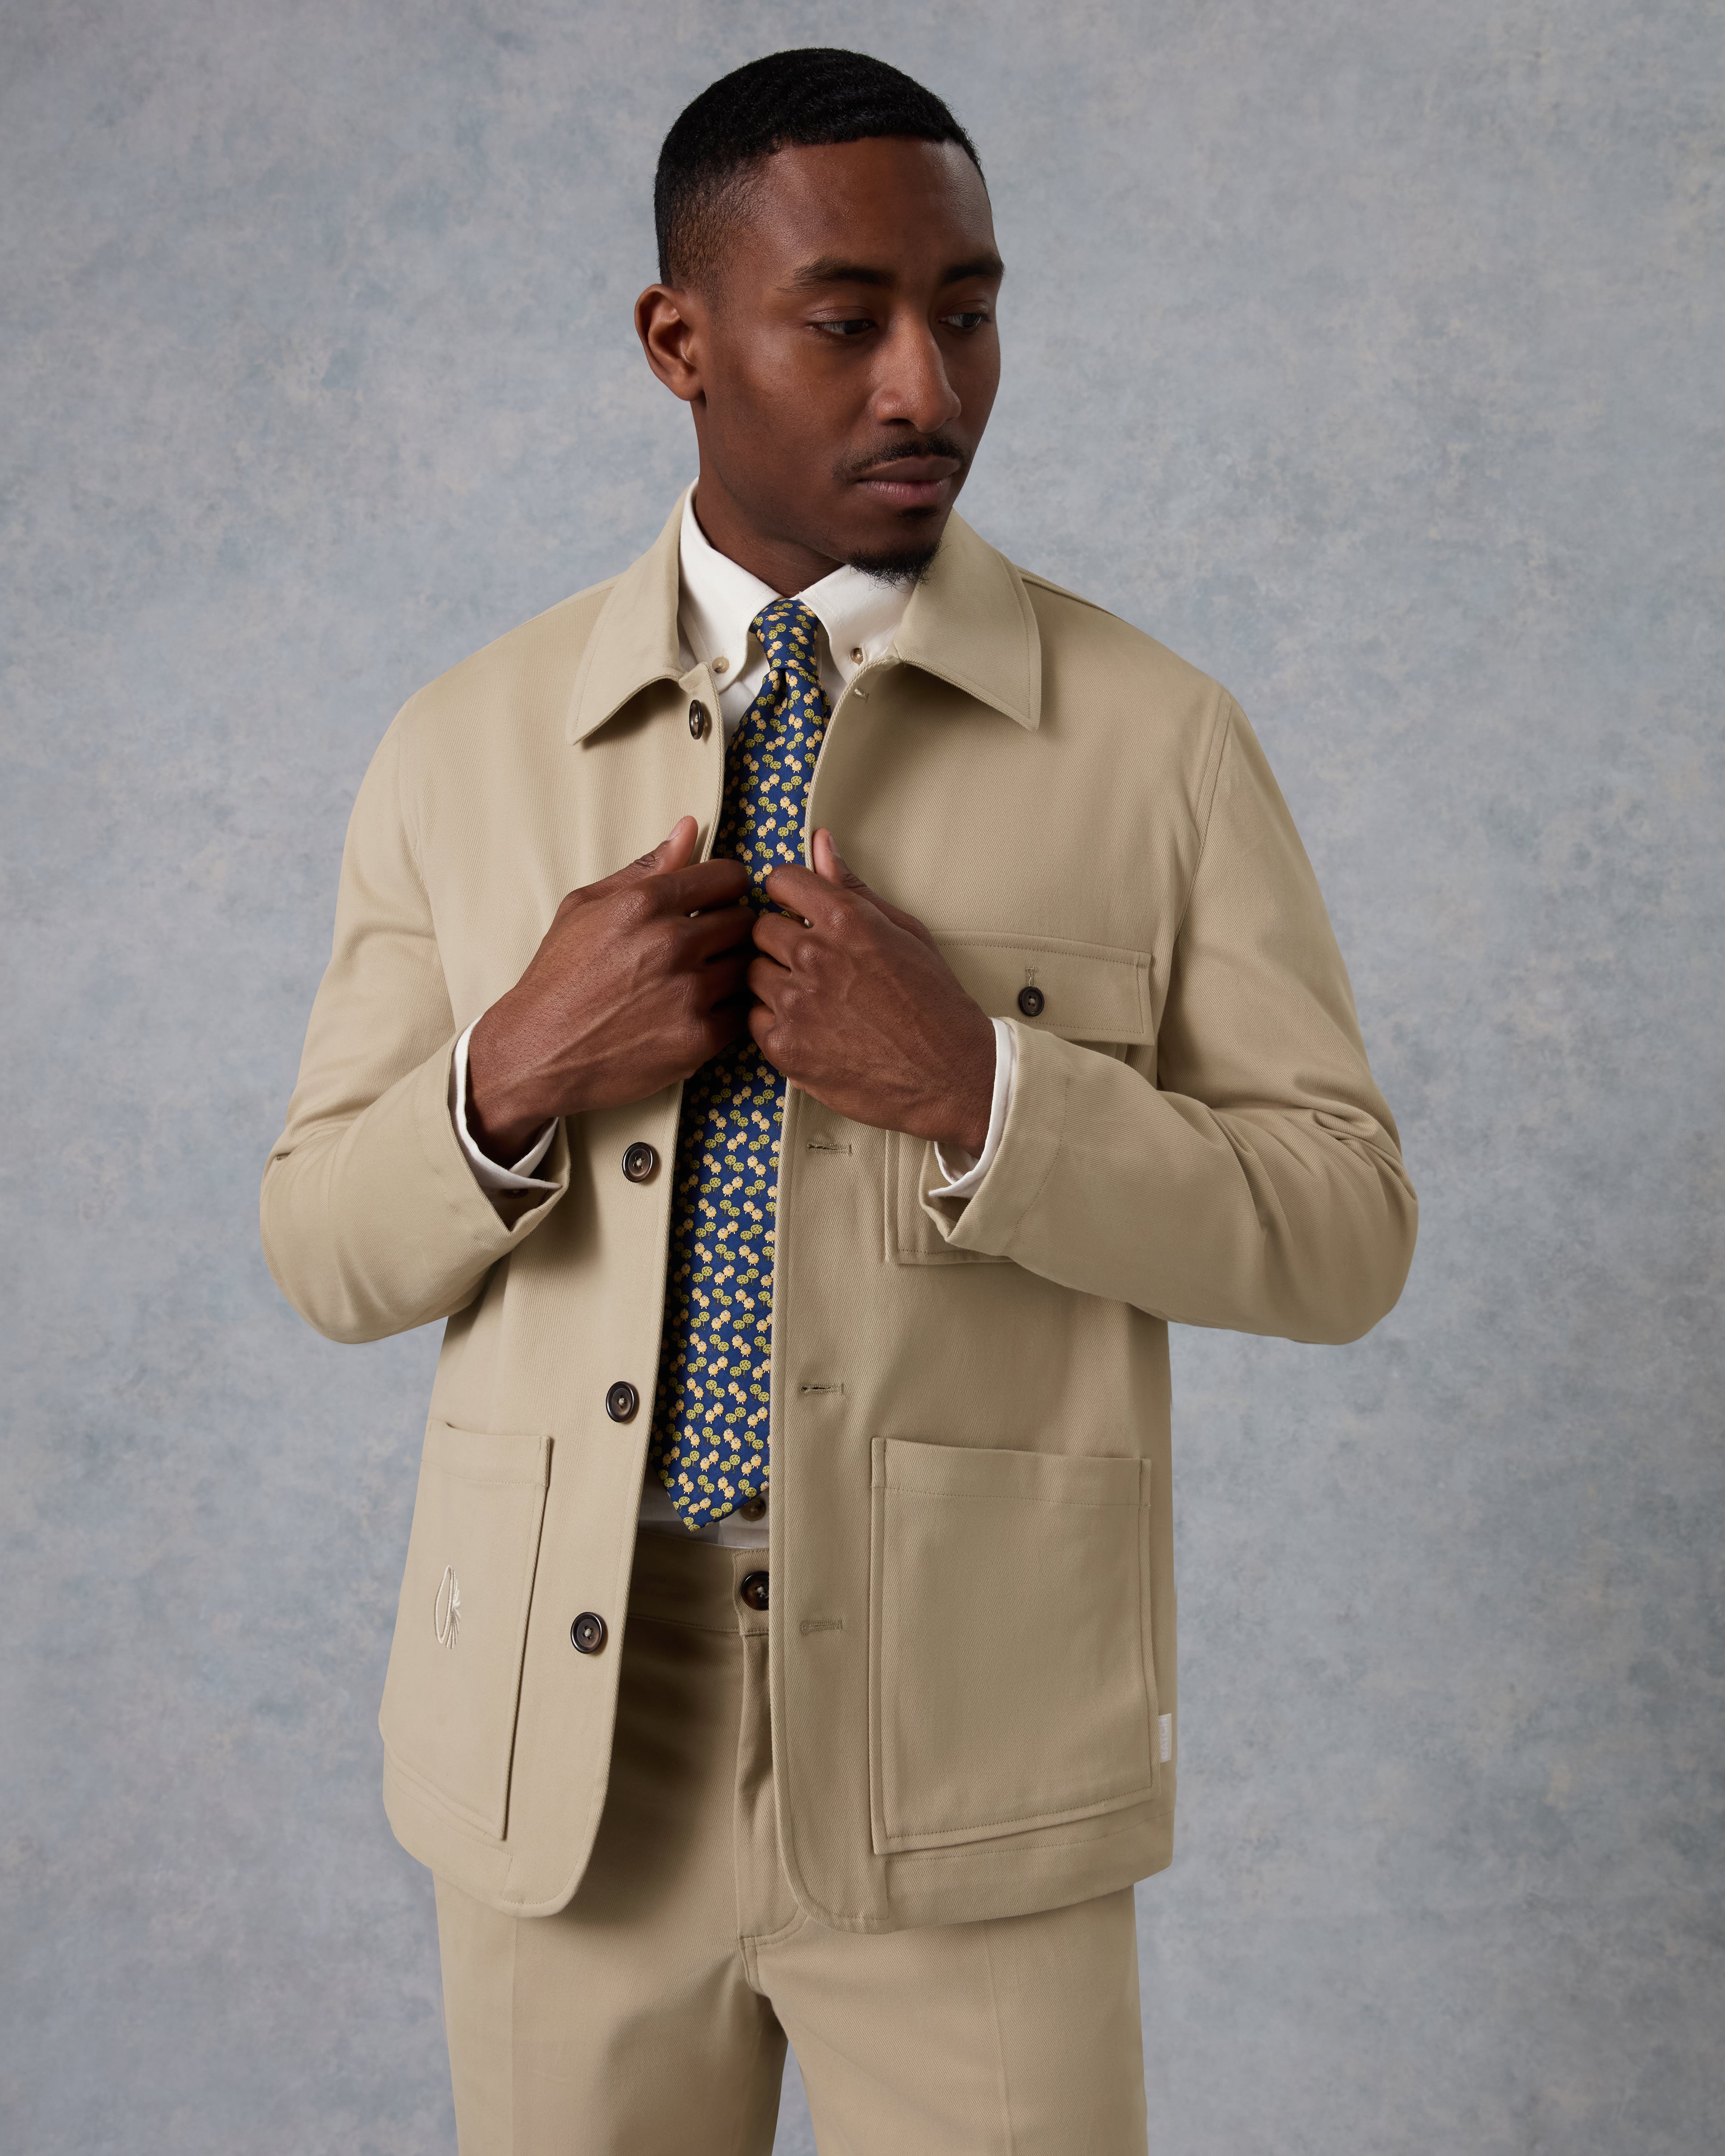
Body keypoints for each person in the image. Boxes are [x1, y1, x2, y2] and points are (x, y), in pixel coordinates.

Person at [262, 45, 1417, 2155]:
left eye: (968, 313)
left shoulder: (1156, 741)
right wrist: (514, 1068)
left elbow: (1343, 1229)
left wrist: (986, 1092)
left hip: (969, 1746)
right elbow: (323, 1247)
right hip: (565, 1750)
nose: (927, 385)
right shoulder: (462, 743)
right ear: (678, 340)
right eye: (849, 317)